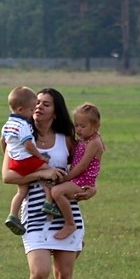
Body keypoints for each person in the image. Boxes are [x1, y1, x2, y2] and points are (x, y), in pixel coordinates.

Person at [1, 88, 95, 279]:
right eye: (38, 103)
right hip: (33, 211)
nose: (40, 107)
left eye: (47, 104)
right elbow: (8, 176)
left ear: (56, 111)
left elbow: (85, 170)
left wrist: (92, 189)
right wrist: (41, 174)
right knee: (39, 272)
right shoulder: (18, 136)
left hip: (66, 211)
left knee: (64, 275)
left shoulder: (67, 139)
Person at [48, 102, 105, 240]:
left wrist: (66, 178)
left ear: (96, 126)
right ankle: (53, 212)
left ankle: (70, 224)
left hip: (83, 180)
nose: (78, 130)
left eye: (83, 126)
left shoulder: (94, 143)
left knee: (57, 191)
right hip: (77, 177)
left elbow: (81, 166)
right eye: (76, 125)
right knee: (52, 186)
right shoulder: (84, 140)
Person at [0, 86, 51, 236]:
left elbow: (3, 141)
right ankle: (49, 202)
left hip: (15, 162)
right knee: (48, 171)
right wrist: (40, 157)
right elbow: (28, 145)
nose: (33, 113)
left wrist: (8, 155)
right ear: (21, 109)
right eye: (31, 110)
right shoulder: (23, 125)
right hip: (26, 160)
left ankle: (13, 215)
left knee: (22, 190)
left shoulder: (8, 124)